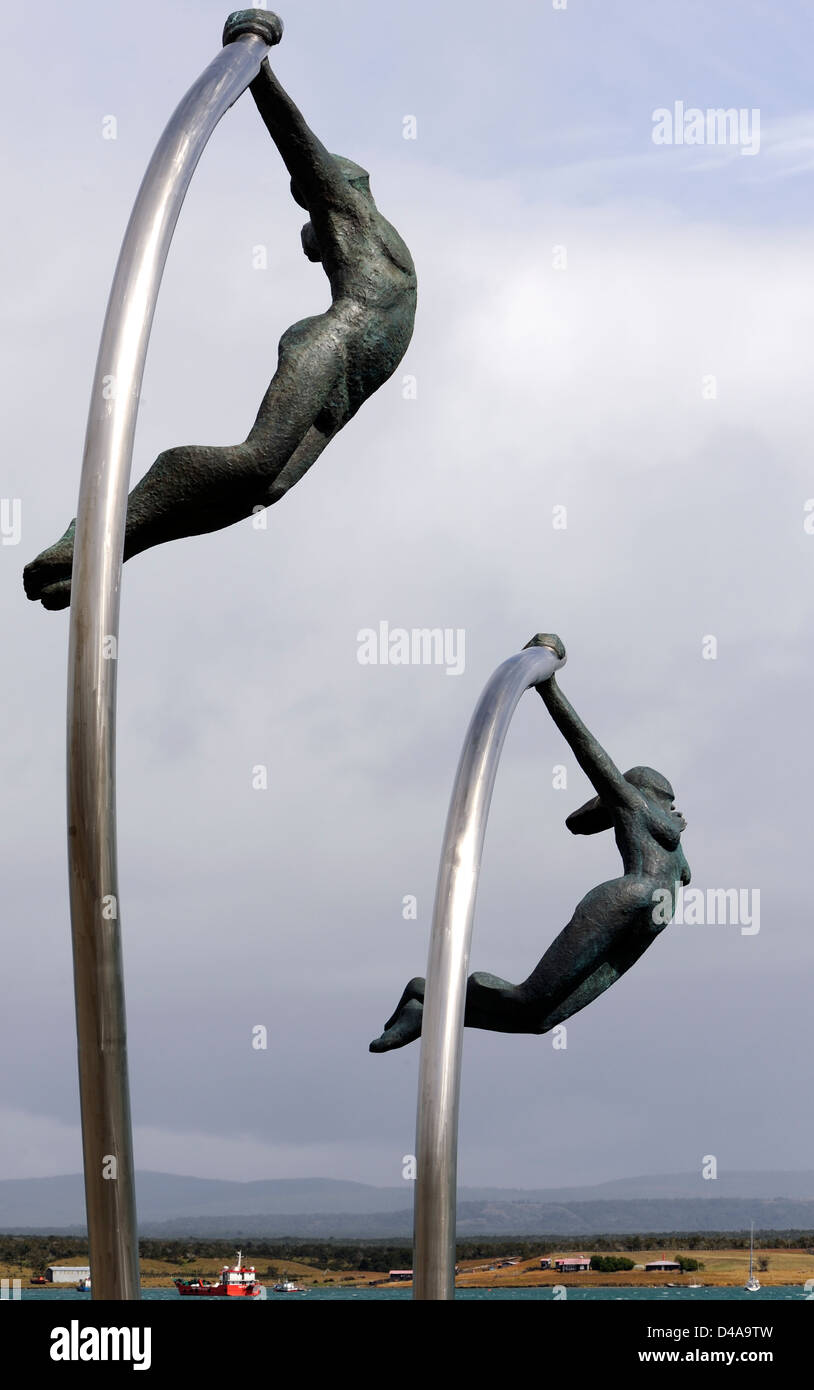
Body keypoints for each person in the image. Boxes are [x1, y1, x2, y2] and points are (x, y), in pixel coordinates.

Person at [24, 41, 417, 610]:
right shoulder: (358, 231)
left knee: (263, 490)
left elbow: (303, 151)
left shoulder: (357, 215)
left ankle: (113, 546)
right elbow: (299, 153)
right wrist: (259, 72)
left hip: (356, 373)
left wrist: (262, 75)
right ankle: (89, 534)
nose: (308, 228)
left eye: (310, 202)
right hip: (332, 344)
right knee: (255, 460)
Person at [370, 634, 690, 1052]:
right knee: (528, 998)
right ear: (645, 792)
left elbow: (587, 825)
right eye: (666, 798)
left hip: (647, 924)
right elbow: (588, 754)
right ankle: (424, 990)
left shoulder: (669, 829)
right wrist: (549, 688)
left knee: (540, 1020)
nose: (673, 807)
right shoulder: (634, 804)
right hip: (630, 901)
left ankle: (427, 1012)